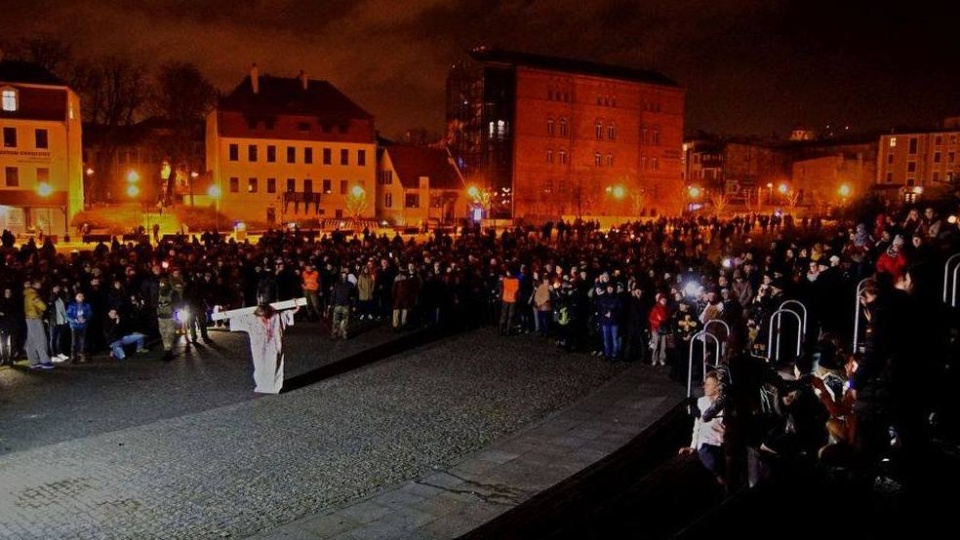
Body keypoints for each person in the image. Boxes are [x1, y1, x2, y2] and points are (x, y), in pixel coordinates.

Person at [229, 303, 297, 394]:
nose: (263, 318)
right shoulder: (252, 319)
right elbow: (237, 320)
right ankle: (262, 385)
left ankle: (274, 386)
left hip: (274, 345)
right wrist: (227, 314)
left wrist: (295, 308)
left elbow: (285, 315)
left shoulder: (275, 317)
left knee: (274, 364)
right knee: (260, 365)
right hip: (259, 346)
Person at [680, 370, 726, 485]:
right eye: (704, 383)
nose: (704, 387)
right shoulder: (701, 402)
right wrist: (692, 446)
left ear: (717, 388)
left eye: (708, 384)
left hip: (720, 444)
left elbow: (723, 429)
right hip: (705, 446)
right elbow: (697, 427)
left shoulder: (724, 406)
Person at [23, 280, 54, 369]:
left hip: (29, 318)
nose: (40, 285)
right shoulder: (33, 294)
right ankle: (44, 361)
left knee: (31, 340)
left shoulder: (26, 294)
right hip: (35, 318)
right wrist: (45, 306)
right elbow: (42, 306)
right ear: (35, 284)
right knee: (40, 339)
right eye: (39, 283)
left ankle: (34, 361)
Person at [66, 291, 93, 363]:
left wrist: (85, 318)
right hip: (74, 325)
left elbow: (90, 314)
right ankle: (73, 357)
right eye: (79, 296)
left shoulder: (87, 305)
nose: (81, 298)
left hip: (83, 325)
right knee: (74, 341)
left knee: (83, 341)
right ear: (76, 297)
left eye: (82, 296)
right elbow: (68, 315)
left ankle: (82, 355)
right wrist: (75, 319)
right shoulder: (72, 305)